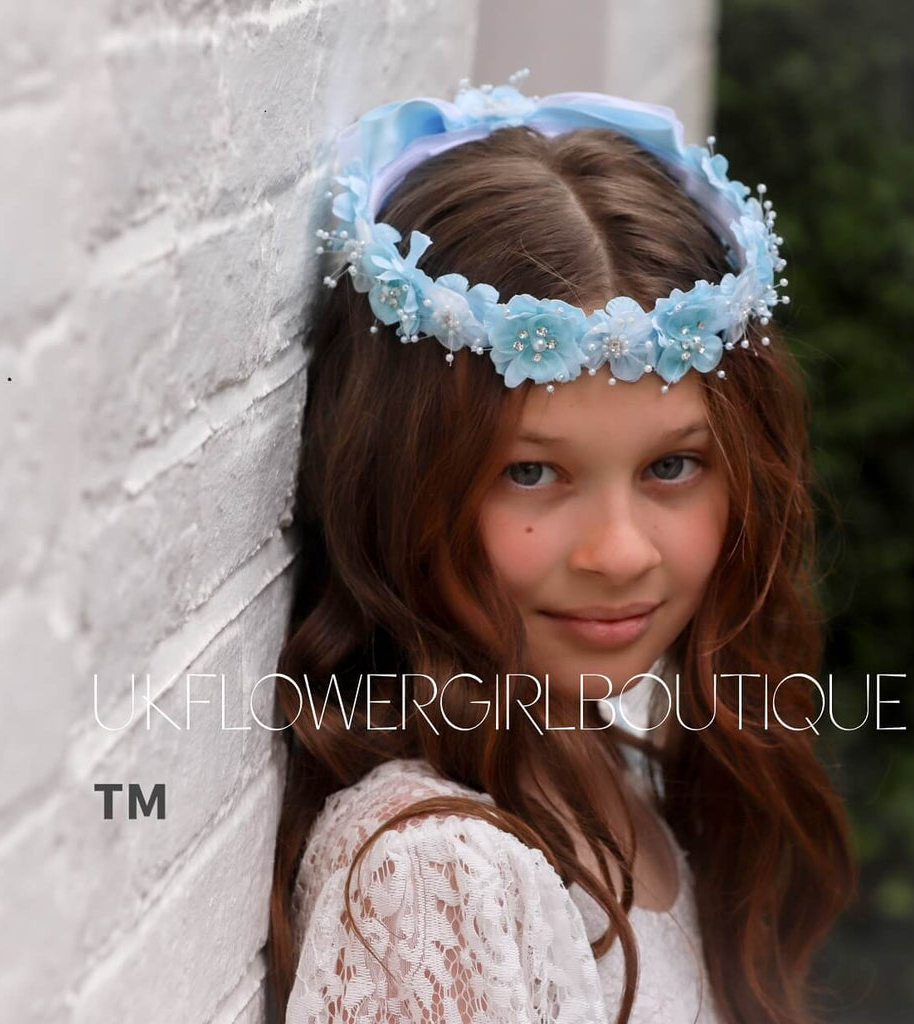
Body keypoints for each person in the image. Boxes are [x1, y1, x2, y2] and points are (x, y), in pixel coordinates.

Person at [267, 72, 857, 1024]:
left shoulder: (609, 759)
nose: (619, 553)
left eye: (673, 467)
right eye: (532, 474)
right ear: (398, 482)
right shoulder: (438, 879)